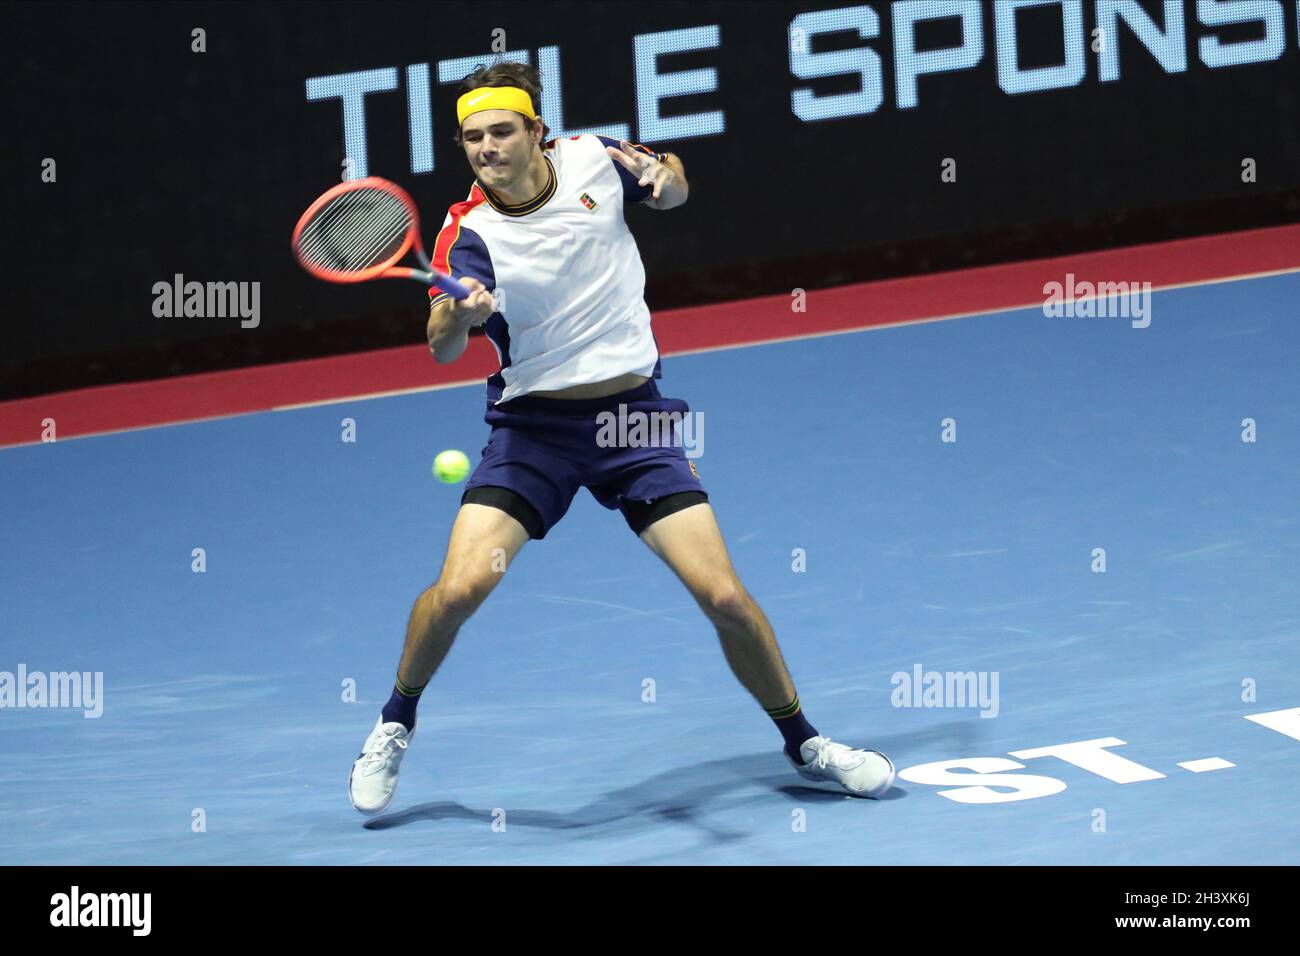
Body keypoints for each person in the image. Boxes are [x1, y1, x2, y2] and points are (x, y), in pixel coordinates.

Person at [348, 61, 895, 815]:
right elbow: (441, 346)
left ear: (536, 130)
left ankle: (805, 742)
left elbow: (672, 184)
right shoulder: (466, 234)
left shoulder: (594, 159)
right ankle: (394, 722)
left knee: (725, 596)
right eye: (472, 138)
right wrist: (461, 313)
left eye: (502, 131)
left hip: (634, 418)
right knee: (459, 591)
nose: (487, 148)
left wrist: (668, 178)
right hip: (534, 430)